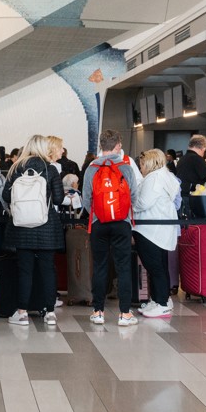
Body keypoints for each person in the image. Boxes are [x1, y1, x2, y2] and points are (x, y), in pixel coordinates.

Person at [1, 135, 66, 326]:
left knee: (24, 270)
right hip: (46, 225)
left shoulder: (16, 168)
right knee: (47, 269)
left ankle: (22, 313)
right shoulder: (50, 168)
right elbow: (59, 199)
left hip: (21, 226)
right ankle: (50, 313)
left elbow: (5, 195)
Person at [80, 129, 142, 327]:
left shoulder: (91, 168)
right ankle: (125, 314)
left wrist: (98, 213)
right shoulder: (126, 167)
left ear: (101, 146)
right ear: (117, 145)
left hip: (99, 224)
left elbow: (86, 200)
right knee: (123, 267)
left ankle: (98, 311)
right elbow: (134, 197)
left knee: (100, 266)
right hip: (121, 224)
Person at [133, 149, 179, 319]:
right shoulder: (165, 176)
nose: (140, 167)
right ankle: (161, 299)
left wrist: (131, 203)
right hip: (159, 229)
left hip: (149, 229)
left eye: (142, 164)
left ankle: (161, 303)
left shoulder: (154, 178)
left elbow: (143, 203)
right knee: (159, 265)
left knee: (154, 266)